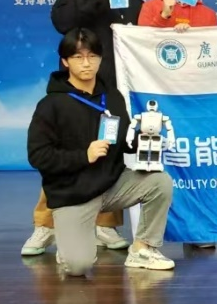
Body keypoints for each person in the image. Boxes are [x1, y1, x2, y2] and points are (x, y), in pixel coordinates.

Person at [21, 0, 142, 257]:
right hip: (76, 93)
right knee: (69, 153)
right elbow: (63, 23)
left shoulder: (134, 2)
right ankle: (45, 225)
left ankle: (106, 224)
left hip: (112, 93)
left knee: (110, 151)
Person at [26, 28, 175, 277]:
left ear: (100, 58)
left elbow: (124, 141)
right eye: (78, 57)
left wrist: (145, 139)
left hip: (112, 186)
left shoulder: (112, 97)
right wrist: (84, 155)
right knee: (78, 267)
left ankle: (142, 249)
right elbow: (38, 156)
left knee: (160, 182)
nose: (87, 63)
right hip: (73, 195)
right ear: (65, 61)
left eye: (92, 56)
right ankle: (71, 244)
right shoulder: (51, 105)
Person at [137, 0, 217, 250]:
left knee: (196, 161)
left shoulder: (207, 14)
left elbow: (215, 55)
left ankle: (198, 229)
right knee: (161, 165)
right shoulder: (151, 6)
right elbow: (140, 43)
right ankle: (150, 237)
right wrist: (165, 15)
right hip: (160, 96)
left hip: (196, 97)